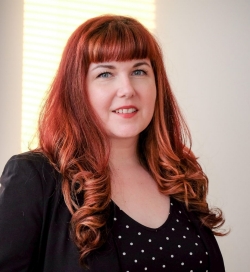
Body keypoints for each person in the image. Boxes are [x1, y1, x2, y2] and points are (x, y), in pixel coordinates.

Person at [0, 15, 226, 272]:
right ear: (77, 89)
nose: (127, 89)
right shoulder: (36, 177)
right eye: (105, 73)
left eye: (139, 71)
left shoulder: (180, 175)